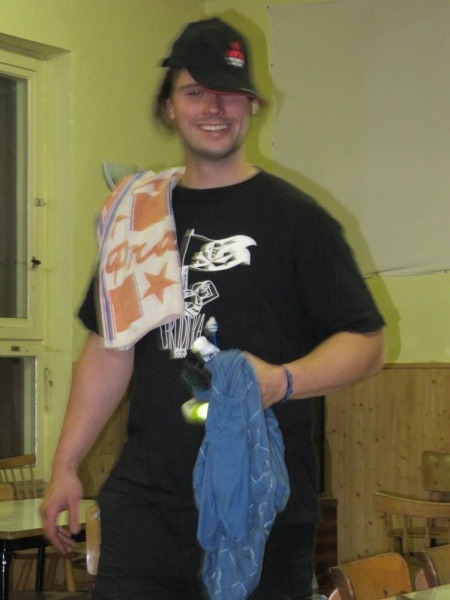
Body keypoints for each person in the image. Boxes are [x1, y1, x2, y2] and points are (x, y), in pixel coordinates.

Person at [41, 17, 385, 600]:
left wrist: (282, 381)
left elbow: (367, 344)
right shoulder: (139, 218)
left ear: (252, 106)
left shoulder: (299, 221)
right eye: (195, 91)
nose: (213, 107)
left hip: (261, 506)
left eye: (229, 93)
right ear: (169, 107)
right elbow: (109, 349)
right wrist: (66, 464)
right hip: (147, 510)